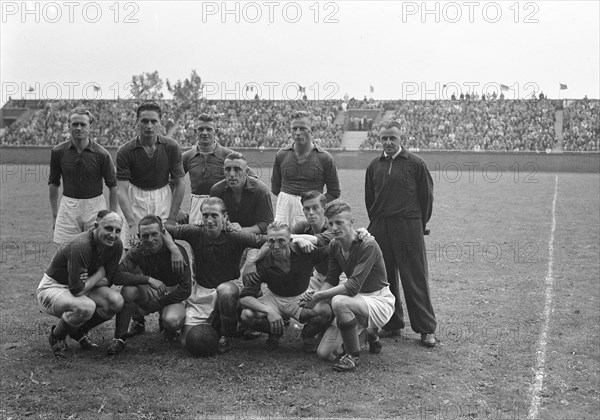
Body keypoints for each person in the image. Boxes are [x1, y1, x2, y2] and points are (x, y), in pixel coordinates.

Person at [364, 121, 437, 347]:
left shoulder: (415, 163)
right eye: (384, 138)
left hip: (408, 227)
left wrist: (417, 224)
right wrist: (377, 222)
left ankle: (426, 329)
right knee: (384, 278)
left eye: (392, 138)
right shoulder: (374, 165)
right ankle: (392, 323)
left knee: (414, 277)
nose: (387, 142)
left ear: (400, 138)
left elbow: (427, 199)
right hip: (381, 226)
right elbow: (370, 199)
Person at [299, 202, 395, 372]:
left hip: (378, 299)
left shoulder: (368, 245)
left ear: (351, 222)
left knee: (339, 301)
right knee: (324, 353)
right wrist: (314, 295)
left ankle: (353, 355)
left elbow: (352, 286)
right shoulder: (335, 245)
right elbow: (331, 279)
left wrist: (319, 297)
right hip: (356, 300)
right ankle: (370, 333)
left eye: (339, 222)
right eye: (330, 223)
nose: (334, 228)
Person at [164, 197, 266, 354]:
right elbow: (162, 229)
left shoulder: (235, 235)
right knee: (187, 342)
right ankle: (217, 323)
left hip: (231, 287)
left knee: (224, 291)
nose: (209, 220)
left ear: (224, 217)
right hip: (202, 291)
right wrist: (174, 249)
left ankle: (228, 334)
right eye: (205, 215)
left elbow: (268, 241)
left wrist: (252, 261)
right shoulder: (194, 232)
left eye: (214, 215)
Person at [36, 210, 125, 358]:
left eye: (118, 231)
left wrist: (90, 280)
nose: (113, 235)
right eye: (108, 228)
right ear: (96, 226)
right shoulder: (81, 245)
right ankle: (56, 337)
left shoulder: (116, 245)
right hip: (53, 287)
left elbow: (109, 280)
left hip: (84, 286)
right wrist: (98, 274)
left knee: (116, 301)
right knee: (86, 306)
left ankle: (78, 330)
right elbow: (77, 290)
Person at [239, 222, 331, 352]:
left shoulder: (304, 251)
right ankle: (275, 332)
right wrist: (268, 311)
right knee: (247, 315)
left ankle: (308, 336)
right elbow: (245, 298)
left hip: (300, 297)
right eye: (271, 241)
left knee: (324, 310)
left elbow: (333, 248)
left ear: (290, 240)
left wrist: (360, 236)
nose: (276, 246)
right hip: (274, 299)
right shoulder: (262, 262)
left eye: (281, 241)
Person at [107, 215, 192, 355]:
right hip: (151, 289)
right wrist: (147, 279)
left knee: (172, 321)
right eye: (145, 236)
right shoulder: (139, 250)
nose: (150, 240)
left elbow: (186, 289)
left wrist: (159, 303)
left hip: (173, 293)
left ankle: (167, 328)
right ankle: (119, 338)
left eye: (154, 234)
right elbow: (117, 275)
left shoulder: (177, 252)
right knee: (128, 291)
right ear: (140, 236)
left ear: (163, 233)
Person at [116, 101, 185, 248]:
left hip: (163, 197)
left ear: (160, 123)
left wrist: (172, 218)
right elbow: (121, 189)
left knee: (164, 246)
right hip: (134, 198)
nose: (149, 126)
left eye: (154, 121)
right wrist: (131, 223)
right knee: (134, 247)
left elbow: (180, 183)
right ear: (137, 122)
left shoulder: (171, 147)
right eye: (144, 121)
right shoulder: (125, 151)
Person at [49, 107, 118, 243]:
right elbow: (53, 183)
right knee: (66, 250)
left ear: (90, 127)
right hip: (68, 206)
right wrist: (55, 215)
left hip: (95, 207)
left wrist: (112, 217)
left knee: (96, 249)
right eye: (75, 124)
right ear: (68, 126)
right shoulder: (58, 152)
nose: (79, 128)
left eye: (83, 124)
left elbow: (113, 186)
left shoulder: (102, 154)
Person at [182, 114, 255, 225]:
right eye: (200, 129)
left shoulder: (228, 154)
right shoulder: (187, 156)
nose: (205, 132)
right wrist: (177, 209)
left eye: (209, 129)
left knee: (224, 238)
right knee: (197, 239)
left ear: (216, 131)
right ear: (195, 131)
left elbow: (252, 178)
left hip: (223, 203)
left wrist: (238, 199)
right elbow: (173, 182)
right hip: (197, 205)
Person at [271, 111, 341, 227]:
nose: (298, 133)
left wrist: (316, 204)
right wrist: (289, 199)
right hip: (284, 208)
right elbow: (275, 187)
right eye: (294, 129)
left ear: (311, 129)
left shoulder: (324, 158)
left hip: (311, 210)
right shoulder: (281, 154)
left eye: (302, 128)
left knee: (309, 242)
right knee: (281, 241)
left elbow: (334, 191)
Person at [210, 151, 273, 235]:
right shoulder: (216, 190)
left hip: (254, 238)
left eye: (237, 169)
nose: (232, 174)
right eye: (228, 169)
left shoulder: (260, 190)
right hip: (227, 235)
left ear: (247, 172)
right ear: (223, 171)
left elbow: (267, 223)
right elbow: (211, 217)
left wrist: (242, 230)